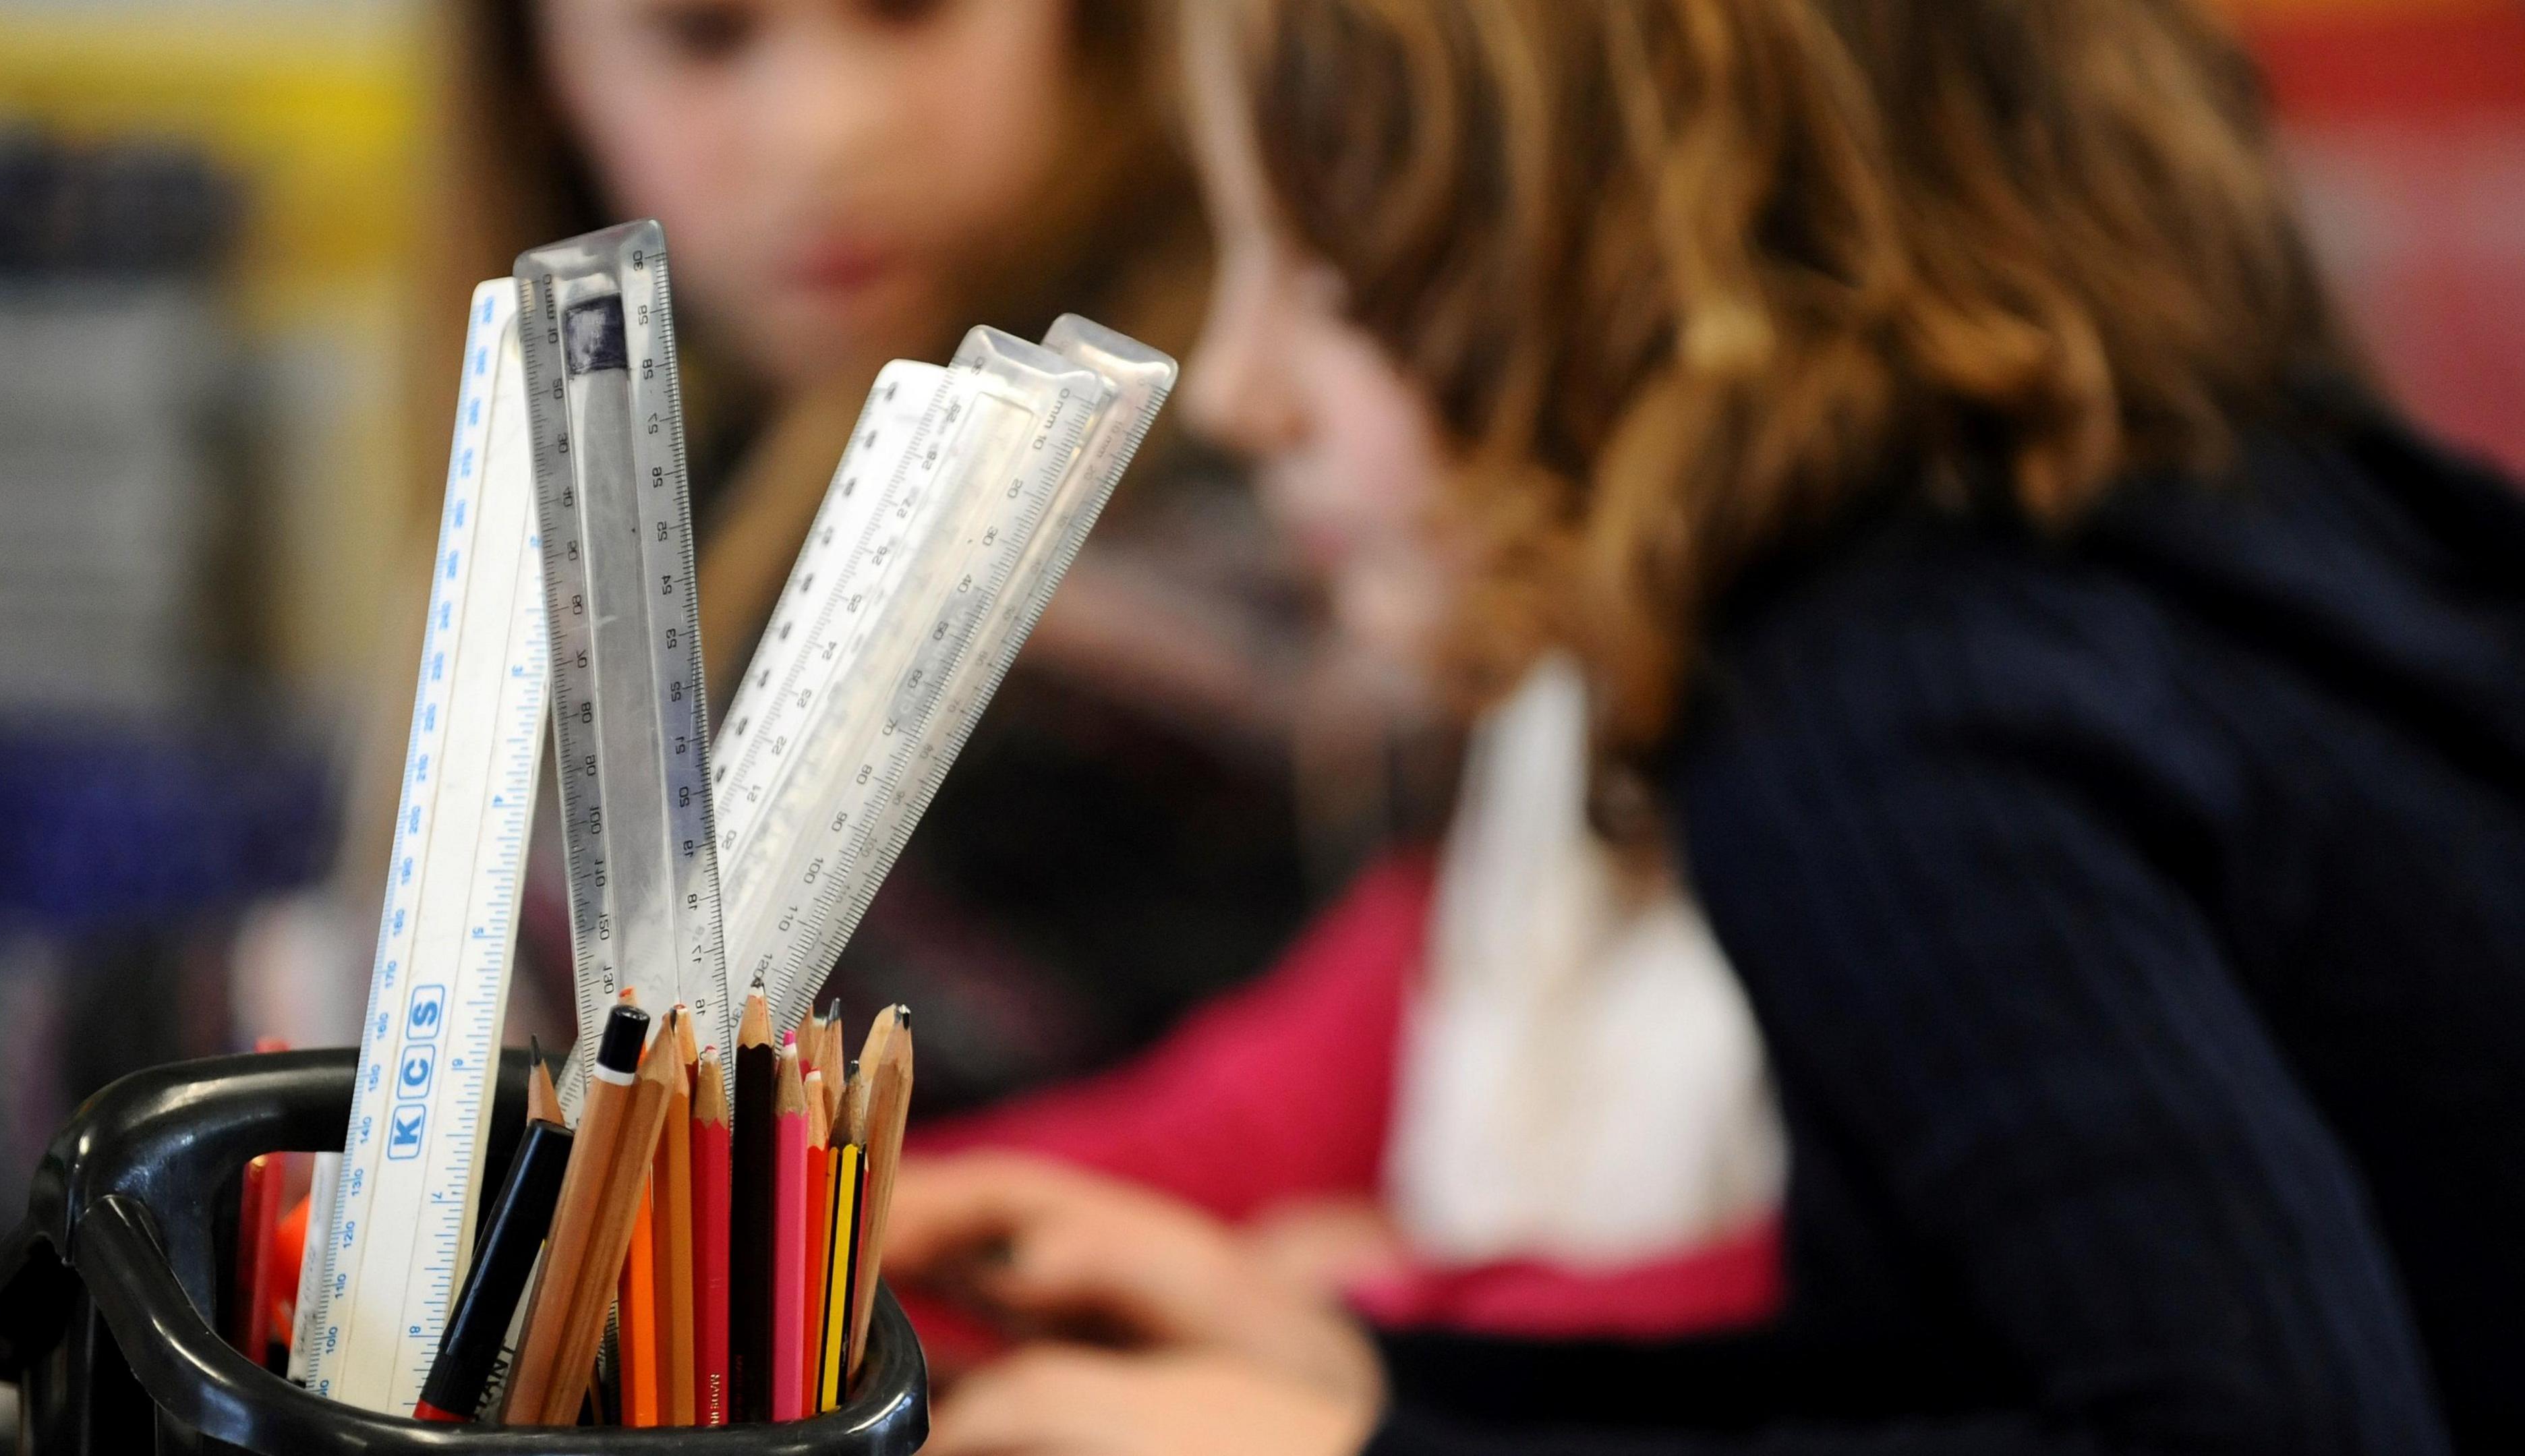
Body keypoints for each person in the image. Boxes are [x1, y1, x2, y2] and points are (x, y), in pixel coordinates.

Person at [882, 2, 2525, 1453]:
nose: (1239, 387)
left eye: (1324, 272)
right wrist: (1367, 1383)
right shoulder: (2148, 536)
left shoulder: (1890, 716)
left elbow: (2254, 1430)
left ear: (1647, 247)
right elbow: (1975, 1374)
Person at [337, 0, 1345, 1101]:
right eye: (703, 37)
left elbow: (507, 1063)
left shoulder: (1214, 531)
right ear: (533, 80)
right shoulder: (702, 432)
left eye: (912, 12)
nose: (830, 131)